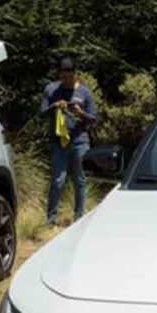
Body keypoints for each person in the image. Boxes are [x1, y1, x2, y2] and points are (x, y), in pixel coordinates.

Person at [40, 56, 97, 226]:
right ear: (59, 74)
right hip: (59, 142)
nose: (67, 80)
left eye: (70, 77)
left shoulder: (85, 92)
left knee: (80, 180)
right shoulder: (51, 90)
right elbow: (42, 114)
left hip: (80, 141)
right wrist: (55, 106)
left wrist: (81, 114)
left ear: (76, 74)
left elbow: (93, 119)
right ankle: (51, 219)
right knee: (58, 180)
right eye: (63, 77)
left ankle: (79, 217)